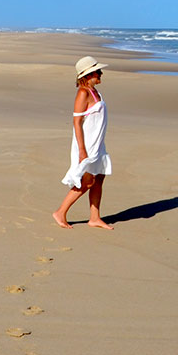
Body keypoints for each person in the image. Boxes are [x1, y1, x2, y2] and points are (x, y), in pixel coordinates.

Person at [53, 56, 114, 229]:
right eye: (97, 71)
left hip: (98, 143)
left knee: (99, 178)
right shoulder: (83, 93)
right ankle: (60, 212)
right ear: (87, 75)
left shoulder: (95, 91)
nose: (100, 73)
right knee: (87, 181)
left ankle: (94, 218)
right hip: (86, 144)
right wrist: (81, 150)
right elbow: (76, 123)